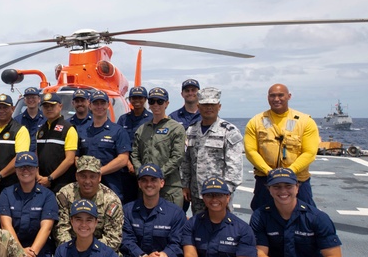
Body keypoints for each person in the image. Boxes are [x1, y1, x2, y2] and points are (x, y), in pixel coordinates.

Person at [244, 83, 320, 210]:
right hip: (266, 180)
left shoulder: (305, 121)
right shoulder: (256, 122)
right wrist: (269, 172)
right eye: (272, 96)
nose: (276, 99)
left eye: (280, 95)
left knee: (305, 216)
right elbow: (250, 151)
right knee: (262, 217)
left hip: (297, 181)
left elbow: (310, 152)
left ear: (289, 96)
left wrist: (289, 172)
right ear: (268, 98)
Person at [181, 87, 244, 216]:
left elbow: (234, 167)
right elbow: (186, 161)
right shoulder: (191, 131)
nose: (208, 108)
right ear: (198, 106)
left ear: (219, 106)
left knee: (222, 230)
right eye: (205, 104)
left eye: (212, 104)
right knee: (199, 229)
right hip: (197, 193)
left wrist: (226, 192)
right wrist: (185, 185)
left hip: (219, 195)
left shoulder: (229, 131)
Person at [54, 156, 123, 256]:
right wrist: (74, 252)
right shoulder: (65, 195)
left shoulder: (111, 201)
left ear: (99, 177)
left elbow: (113, 238)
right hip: (70, 251)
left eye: (92, 176)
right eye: (83, 176)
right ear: (76, 176)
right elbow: (61, 230)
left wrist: (88, 253)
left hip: (102, 253)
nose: (87, 181)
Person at [131, 87, 185, 207]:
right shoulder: (142, 129)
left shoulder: (176, 128)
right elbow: (135, 154)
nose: (156, 105)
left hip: (169, 188)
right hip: (146, 187)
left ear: (167, 103)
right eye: (152, 101)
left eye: (160, 101)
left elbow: (177, 157)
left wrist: (157, 175)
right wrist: (143, 174)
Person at [77, 90, 131, 199]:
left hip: (111, 188)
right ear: (90, 105)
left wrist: (98, 172)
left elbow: (123, 158)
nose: (99, 106)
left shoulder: (118, 131)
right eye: (96, 103)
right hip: (85, 189)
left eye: (102, 103)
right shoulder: (82, 131)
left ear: (107, 105)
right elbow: (76, 155)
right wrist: (86, 174)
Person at [0, 93, 30, 200]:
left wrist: (0, 176)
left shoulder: (20, 130)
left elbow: (20, 157)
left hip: (11, 184)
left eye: (5, 107)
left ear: (12, 108)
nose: (1, 110)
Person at [35, 92, 78, 193]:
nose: (49, 109)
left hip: (62, 184)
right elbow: (36, 155)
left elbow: (70, 160)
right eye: (45, 106)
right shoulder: (41, 130)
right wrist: (38, 176)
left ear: (60, 106)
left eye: (52, 105)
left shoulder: (69, 129)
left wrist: (50, 178)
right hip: (42, 182)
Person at [117, 86, 152, 204]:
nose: (137, 101)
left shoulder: (152, 119)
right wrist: (128, 163)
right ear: (130, 100)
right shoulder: (123, 119)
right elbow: (119, 142)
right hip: (126, 169)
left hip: (145, 166)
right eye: (133, 98)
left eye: (140, 98)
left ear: (145, 99)